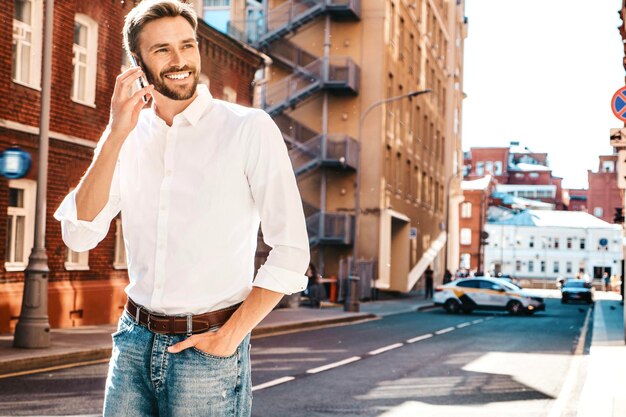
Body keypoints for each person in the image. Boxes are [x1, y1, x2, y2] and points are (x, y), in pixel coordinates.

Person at [54, 1, 309, 416]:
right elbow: (79, 233)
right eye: (162, 50)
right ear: (137, 63)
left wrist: (230, 337)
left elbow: (293, 251)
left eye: (187, 46)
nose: (179, 61)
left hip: (207, 351)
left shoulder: (248, 128)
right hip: (133, 341)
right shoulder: (129, 137)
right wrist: (116, 132)